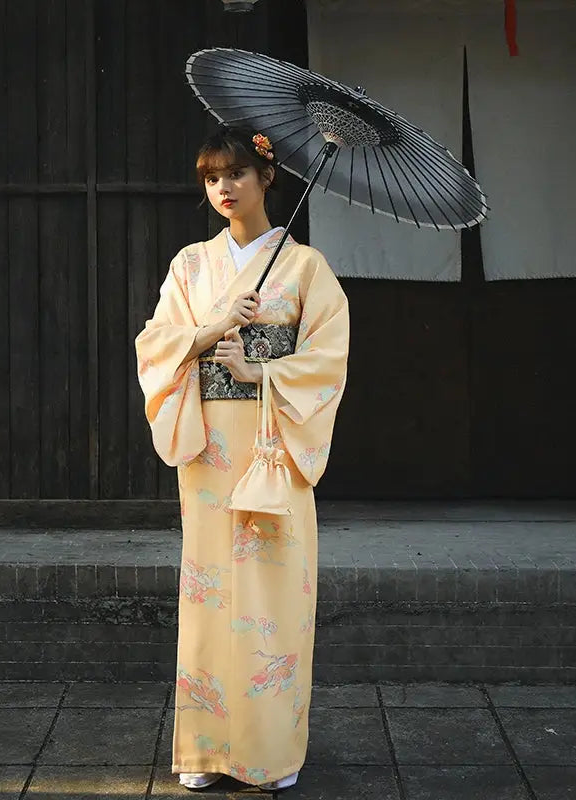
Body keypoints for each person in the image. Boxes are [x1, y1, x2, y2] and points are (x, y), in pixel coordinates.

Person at [135, 126, 349, 791]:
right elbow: (155, 343)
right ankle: (204, 750)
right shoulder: (192, 265)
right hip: (208, 449)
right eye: (210, 178)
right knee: (211, 593)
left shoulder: (306, 267)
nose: (223, 188)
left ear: (267, 177)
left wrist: (260, 369)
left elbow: (329, 362)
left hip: (272, 443)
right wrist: (213, 325)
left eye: (236, 174)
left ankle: (268, 752)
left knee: (271, 596)